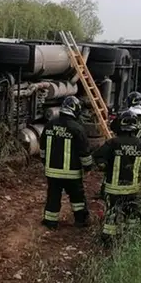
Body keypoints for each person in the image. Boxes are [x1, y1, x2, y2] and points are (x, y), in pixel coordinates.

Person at [92, 110, 141, 245]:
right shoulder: (140, 144)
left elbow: (98, 155)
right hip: (133, 189)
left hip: (114, 189)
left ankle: (109, 240)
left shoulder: (113, 143)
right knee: (132, 212)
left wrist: (102, 165)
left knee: (112, 213)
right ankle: (132, 238)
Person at [38, 96, 93, 229]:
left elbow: (43, 147)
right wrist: (88, 167)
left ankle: (50, 222)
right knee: (77, 197)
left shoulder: (50, 124)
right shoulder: (77, 128)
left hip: (52, 172)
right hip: (72, 173)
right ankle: (81, 220)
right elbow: (84, 151)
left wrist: (45, 162)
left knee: (53, 196)